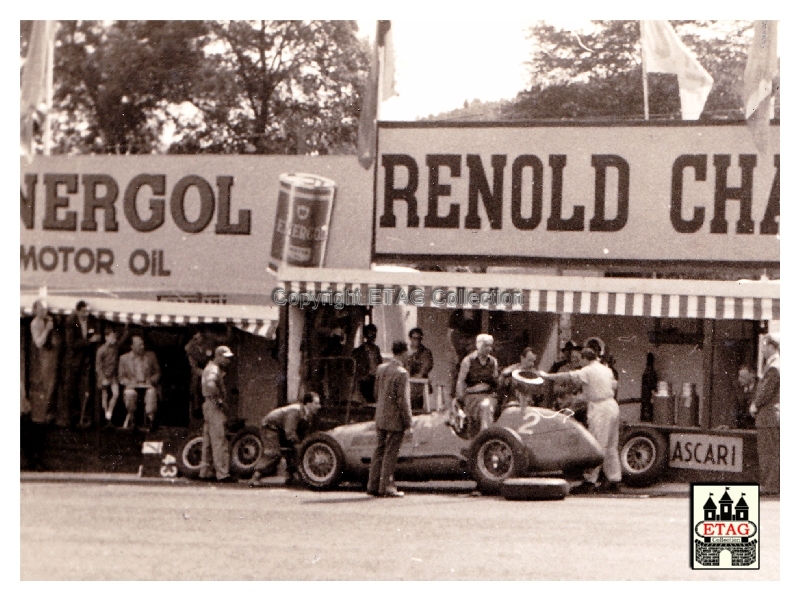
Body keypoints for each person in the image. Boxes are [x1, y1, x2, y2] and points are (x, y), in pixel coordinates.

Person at [536, 347, 622, 494]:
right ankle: (614, 479)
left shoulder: (588, 370)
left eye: (580, 360)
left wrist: (548, 376)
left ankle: (590, 481)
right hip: (612, 405)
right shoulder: (606, 369)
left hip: (600, 407)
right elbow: (614, 385)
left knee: (597, 445)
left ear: (584, 359)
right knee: (611, 445)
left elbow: (568, 376)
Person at [366, 341, 413, 498]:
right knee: (391, 453)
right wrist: (408, 421)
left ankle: (372, 485)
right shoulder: (402, 373)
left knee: (379, 450)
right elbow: (402, 400)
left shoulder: (381, 368)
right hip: (395, 419)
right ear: (403, 353)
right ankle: (386, 486)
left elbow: (375, 393)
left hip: (380, 415)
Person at [249, 392, 322, 487]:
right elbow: (290, 432)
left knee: (293, 451)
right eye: (316, 403)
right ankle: (255, 477)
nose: (319, 406)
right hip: (271, 427)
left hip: (281, 430)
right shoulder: (295, 411)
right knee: (273, 453)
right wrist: (299, 445)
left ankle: (290, 476)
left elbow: (304, 433)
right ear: (308, 404)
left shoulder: (308, 415)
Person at [199, 346, 237, 483]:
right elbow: (210, 384)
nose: (228, 361)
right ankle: (222, 473)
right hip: (213, 405)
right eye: (226, 358)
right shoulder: (214, 369)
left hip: (208, 404)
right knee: (219, 439)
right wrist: (219, 400)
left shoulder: (210, 368)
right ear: (219, 356)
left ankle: (205, 471)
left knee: (208, 440)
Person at [61, 300, 101, 428]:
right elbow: (71, 343)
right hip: (73, 361)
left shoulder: (90, 321)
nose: (86, 314)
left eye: (87, 311)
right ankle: (71, 417)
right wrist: (89, 341)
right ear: (78, 311)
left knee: (85, 388)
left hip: (86, 361)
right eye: (84, 311)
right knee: (71, 389)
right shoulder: (71, 322)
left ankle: (85, 418)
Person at [749, 333, 780, 495]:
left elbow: (766, 390)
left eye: (763, 345)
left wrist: (755, 404)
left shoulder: (774, 367)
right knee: (772, 451)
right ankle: (771, 484)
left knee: (768, 452)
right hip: (771, 416)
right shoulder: (774, 365)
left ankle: (771, 485)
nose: (761, 349)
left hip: (768, 416)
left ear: (770, 346)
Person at [455, 333, 500, 437]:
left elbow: (496, 381)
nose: (489, 348)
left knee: (486, 406)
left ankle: (485, 437)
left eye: (490, 345)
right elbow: (460, 381)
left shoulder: (493, 362)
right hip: (472, 396)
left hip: (488, 395)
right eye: (486, 345)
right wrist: (460, 400)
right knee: (474, 415)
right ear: (478, 345)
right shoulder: (468, 361)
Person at [118, 335, 161, 430]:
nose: (142, 347)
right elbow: (121, 377)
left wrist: (152, 380)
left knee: (151, 393)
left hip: (147, 384)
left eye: (142, 344)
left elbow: (157, 372)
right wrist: (129, 383)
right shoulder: (124, 358)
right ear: (132, 346)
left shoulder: (150, 356)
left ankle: (151, 420)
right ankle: (133, 420)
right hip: (132, 385)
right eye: (139, 345)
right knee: (130, 394)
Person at [29, 299, 60, 425]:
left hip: (54, 354)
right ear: (36, 310)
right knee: (49, 384)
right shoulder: (35, 324)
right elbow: (39, 342)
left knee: (55, 383)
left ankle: (52, 413)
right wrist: (47, 329)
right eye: (41, 310)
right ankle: (46, 414)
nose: (44, 312)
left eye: (45, 309)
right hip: (46, 355)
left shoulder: (47, 319)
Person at [498, 347, 541, 411]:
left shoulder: (536, 375)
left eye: (533, 361)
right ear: (522, 358)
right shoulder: (510, 371)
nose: (532, 364)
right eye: (529, 360)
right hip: (512, 405)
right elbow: (500, 388)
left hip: (529, 406)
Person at [352, 323, 383, 404]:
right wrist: (360, 375)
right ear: (366, 335)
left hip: (375, 377)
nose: (373, 336)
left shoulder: (376, 349)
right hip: (365, 378)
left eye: (374, 334)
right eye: (370, 334)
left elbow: (379, 362)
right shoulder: (359, 351)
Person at [95, 328, 120, 425]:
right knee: (104, 395)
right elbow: (98, 366)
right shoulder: (101, 350)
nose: (114, 339)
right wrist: (102, 377)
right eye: (112, 337)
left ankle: (109, 411)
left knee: (116, 394)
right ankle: (107, 416)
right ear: (106, 337)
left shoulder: (116, 347)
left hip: (113, 375)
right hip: (104, 375)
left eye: (115, 337)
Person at [405, 327, 434, 411]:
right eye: (414, 338)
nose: (417, 341)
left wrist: (420, 374)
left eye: (419, 338)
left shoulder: (426, 352)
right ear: (410, 338)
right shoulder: (405, 352)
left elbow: (427, 365)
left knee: (418, 410)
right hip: (406, 386)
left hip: (419, 387)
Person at [185, 330, 211, 420]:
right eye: (196, 338)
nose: (199, 340)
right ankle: (197, 408)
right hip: (198, 371)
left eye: (200, 337)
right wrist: (205, 373)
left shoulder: (208, 343)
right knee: (196, 382)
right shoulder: (189, 348)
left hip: (211, 367)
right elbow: (194, 367)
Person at [734, 365, 757, 430]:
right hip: (742, 429)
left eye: (742, 377)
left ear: (752, 375)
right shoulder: (740, 390)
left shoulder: (761, 388)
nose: (739, 379)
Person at [640, 352, 658, 422]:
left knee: (646, 407)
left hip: (646, 395)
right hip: (648, 395)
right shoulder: (651, 372)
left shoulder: (647, 372)